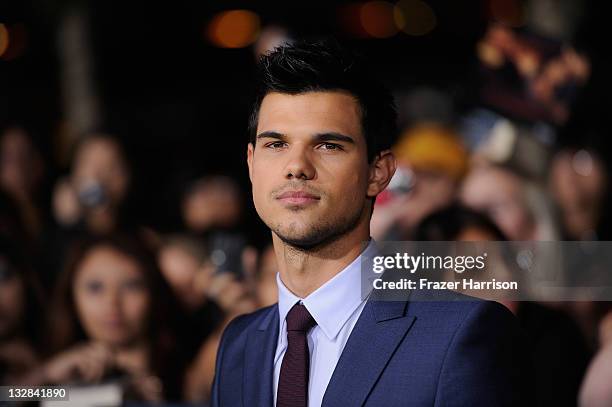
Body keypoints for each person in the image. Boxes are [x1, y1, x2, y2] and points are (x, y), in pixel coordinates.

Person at [211, 38, 532, 406]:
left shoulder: (460, 334)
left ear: (378, 173)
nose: (296, 166)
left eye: (328, 145)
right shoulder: (239, 345)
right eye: (276, 144)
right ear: (251, 163)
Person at [25, 234, 183, 402]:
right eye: (95, 287)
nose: (112, 303)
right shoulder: (66, 375)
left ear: (154, 293)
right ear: (71, 296)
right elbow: (6, 397)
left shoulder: (186, 373)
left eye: (131, 286)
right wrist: (44, 375)